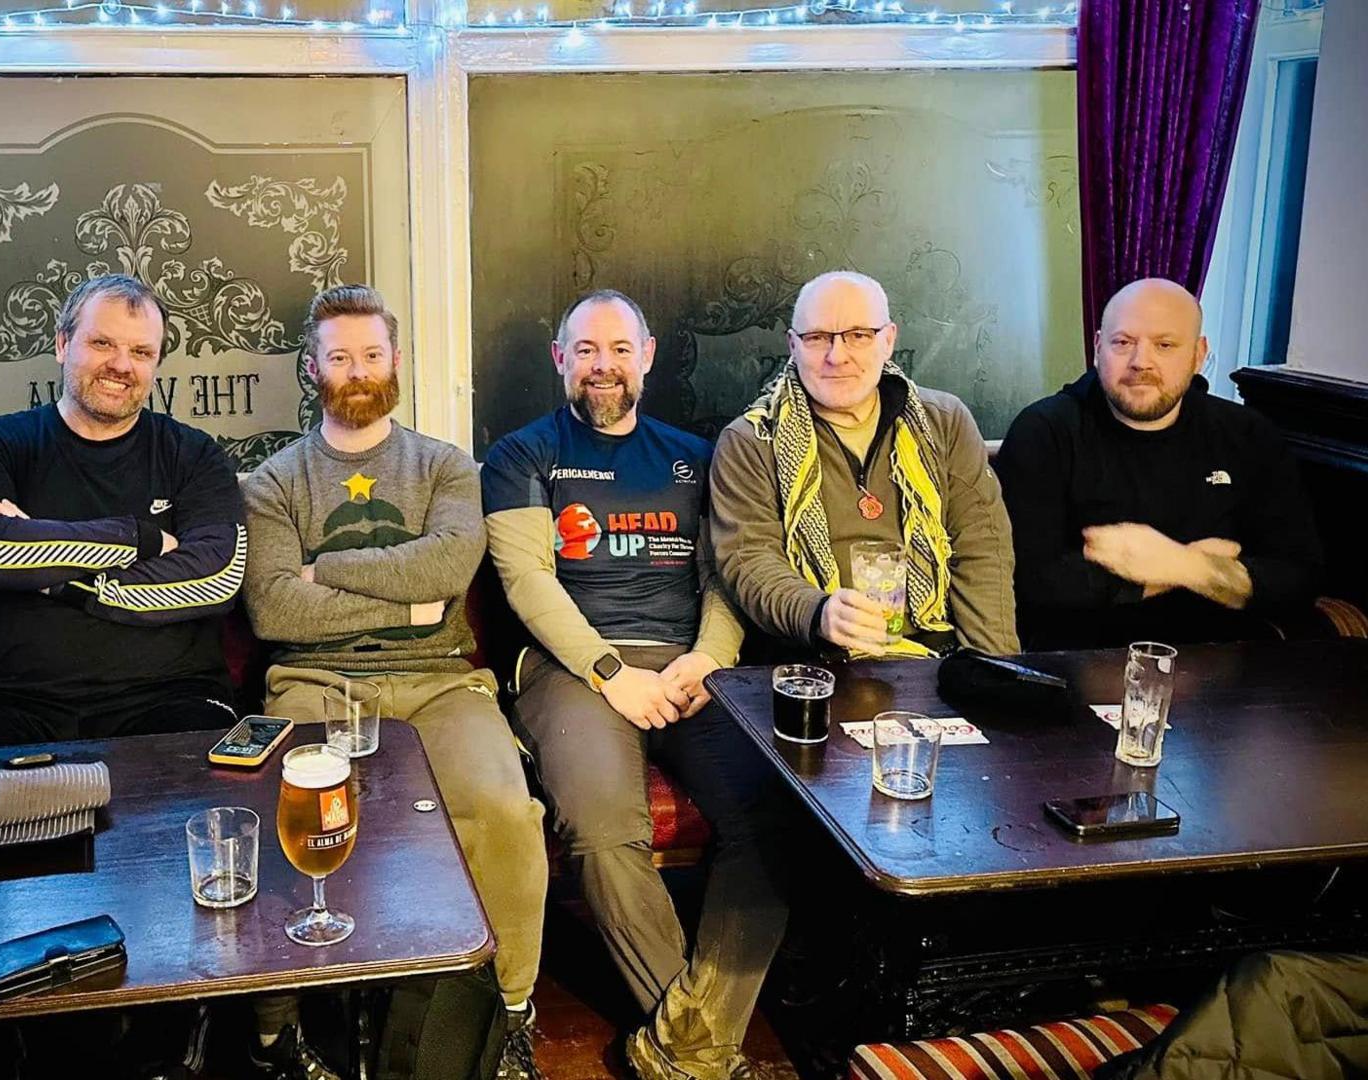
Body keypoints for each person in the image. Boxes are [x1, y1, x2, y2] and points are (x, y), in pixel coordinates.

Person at [242, 285, 550, 1080]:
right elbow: (276, 609)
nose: (356, 371)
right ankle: (278, 1030)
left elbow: (449, 570)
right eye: (339, 357)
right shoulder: (272, 483)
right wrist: (406, 599)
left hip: (441, 679)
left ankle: (511, 1012)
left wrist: (328, 571)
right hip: (314, 682)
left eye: (371, 355)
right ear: (312, 368)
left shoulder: (446, 467)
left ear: (396, 362)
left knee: (507, 812)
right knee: (289, 815)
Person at [482, 289, 782, 1080]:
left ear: (647, 356)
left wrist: (708, 657)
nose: (603, 366)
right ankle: (707, 1057)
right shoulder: (522, 455)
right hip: (571, 669)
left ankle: (685, 1045)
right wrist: (611, 674)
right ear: (560, 360)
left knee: (778, 815)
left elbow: (725, 579)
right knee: (606, 832)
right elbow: (526, 583)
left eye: (619, 349)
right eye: (585, 350)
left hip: (686, 666)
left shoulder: (695, 456)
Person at [0, 274, 246, 747]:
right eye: (102, 343)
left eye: (141, 352)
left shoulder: (194, 454)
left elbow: (215, 577)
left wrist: (48, 572)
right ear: (62, 344)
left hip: (167, 699)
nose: (121, 365)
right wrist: (144, 540)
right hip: (1, 700)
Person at [994, 277, 1323, 649]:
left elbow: (1299, 576)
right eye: (1123, 343)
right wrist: (1209, 572)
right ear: (1098, 347)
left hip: (1224, 660)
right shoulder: (1046, 431)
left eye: (1165, 345)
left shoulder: (1247, 435)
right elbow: (1031, 582)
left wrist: (1181, 565)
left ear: (1199, 354)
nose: (1141, 362)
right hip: (1082, 659)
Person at [712, 270, 1018, 660]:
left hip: (933, 657)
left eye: (859, 335)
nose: (836, 356)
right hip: (809, 662)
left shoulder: (945, 421)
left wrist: (992, 672)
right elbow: (750, 561)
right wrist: (819, 613)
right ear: (792, 345)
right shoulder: (750, 440)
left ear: (888, 340)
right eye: (817, 337)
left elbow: (982, 552)